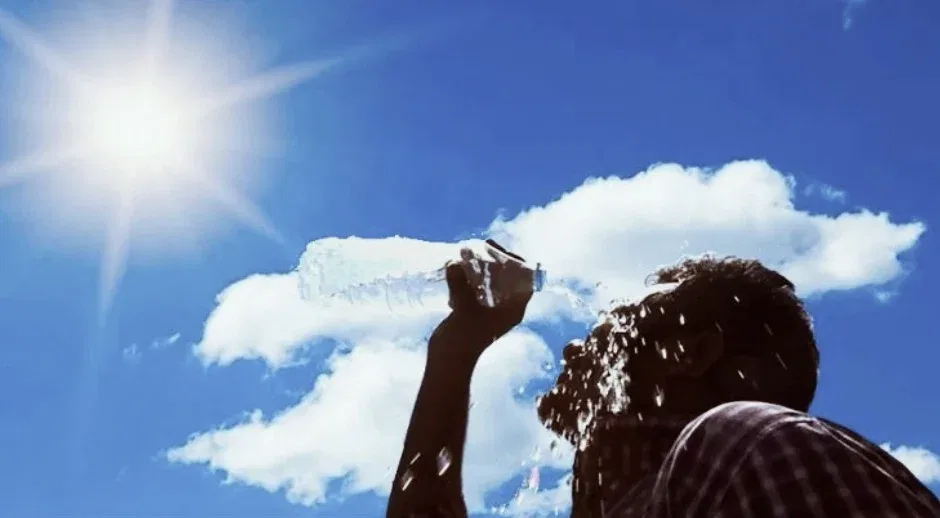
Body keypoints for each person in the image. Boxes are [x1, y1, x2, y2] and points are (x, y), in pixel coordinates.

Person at [385, 240, 940, 518]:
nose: (575, 346)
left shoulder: (748, 444)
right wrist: (455, 352)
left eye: (618, 324)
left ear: (690, 353)